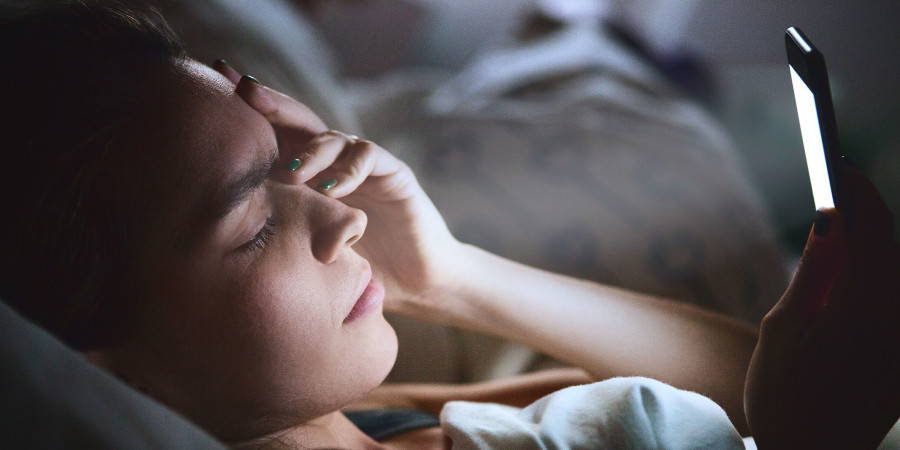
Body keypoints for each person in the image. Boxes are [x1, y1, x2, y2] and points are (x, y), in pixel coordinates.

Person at [0, 2, 897, 448]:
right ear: (102, 370)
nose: (339, 220)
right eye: (254, 227)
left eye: (288, 167)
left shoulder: (376, 423)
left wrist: (450, 276)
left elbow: (746, 391)